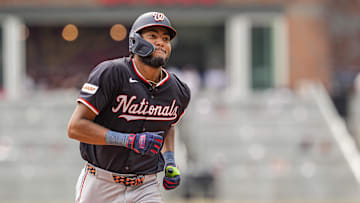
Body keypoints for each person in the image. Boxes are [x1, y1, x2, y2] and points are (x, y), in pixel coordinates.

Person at [67, 11, 191, 203]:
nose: (161, 42)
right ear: (135, 41)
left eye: (165, 39)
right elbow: (75, 127)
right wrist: (128, 140)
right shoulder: (111, 73)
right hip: (101, 182)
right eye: (153, 36)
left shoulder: (178, 89)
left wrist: (170, 161)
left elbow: (168, 125)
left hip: (145, 185)